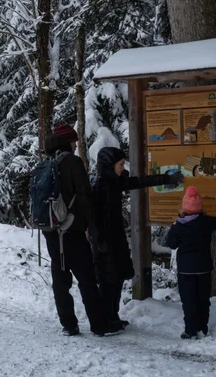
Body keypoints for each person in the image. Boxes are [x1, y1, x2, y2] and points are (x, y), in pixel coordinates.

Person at [43, 123, 121, 337]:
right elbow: (84, 196)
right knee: (87, 279)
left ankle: (69, 325)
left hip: (51, 231)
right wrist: (92, 226)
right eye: (74, 141)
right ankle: (99, 325)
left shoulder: (47, 163)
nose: (77, 145)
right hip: (73, 231)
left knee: (60, 280)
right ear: (68, 142)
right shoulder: (73, 163)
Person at [91, 147, 182, 328]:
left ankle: (113, 317)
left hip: (115, 240)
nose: (122, 168)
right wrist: (100, 240)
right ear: (109, 165)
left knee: (116, 280)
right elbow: (94, 218)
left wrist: (165, 178)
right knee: (108, 281)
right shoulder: (101, 186)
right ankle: (105, 320)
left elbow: (138, 182)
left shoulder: (114, 182)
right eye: (120, 164)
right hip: (105, 243)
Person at [164, 186, 216, 339]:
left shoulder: (179, 226)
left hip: (185, 270)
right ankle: (202, 328)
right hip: (204, 267)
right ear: (199, 206)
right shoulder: (204, 222)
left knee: (189, 300)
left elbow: (171, 243)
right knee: (203, 299)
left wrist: (174, 225)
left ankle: (190, 330)